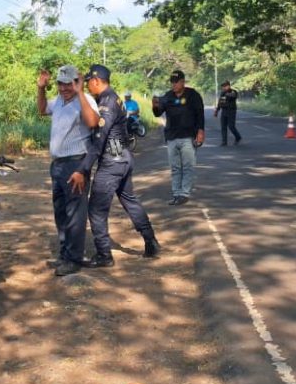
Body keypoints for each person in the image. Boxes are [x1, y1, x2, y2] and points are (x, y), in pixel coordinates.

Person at [76, 64, 163, 266]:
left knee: (96, 210)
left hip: (112, 162)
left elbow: (99, 140)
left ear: (96, 81)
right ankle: (151, 241)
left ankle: (104, 255)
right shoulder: (113, 97)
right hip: (122, 156)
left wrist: (83, 168)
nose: (87, 86)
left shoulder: (107, 102)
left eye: (88, 82)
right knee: (130, 201)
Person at [37, 65, 99, 276]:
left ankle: (74, 259)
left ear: (76, 82)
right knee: (61, 212)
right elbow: (42, 109)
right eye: (61, 83)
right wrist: (41, 89)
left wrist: (80, 92)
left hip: (76, 165)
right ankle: (65, 255)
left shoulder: (85, 100)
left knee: (75, 214)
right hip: (58, 165)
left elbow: (92, 123)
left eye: (69, 83)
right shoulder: (60, 102)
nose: (64, 88)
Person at [151, 69, 204, 205]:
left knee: (188, 166)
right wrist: (155, 105)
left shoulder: (193, 95)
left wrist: (200, 131)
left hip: (188, 136)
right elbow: (158, 113)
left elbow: (200, 114)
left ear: (182, 82)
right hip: (172, 137)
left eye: (176, 82)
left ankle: (184, 193)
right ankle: (176, 193)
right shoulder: (168, 96)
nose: (174, 85)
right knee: (175, 167)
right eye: (172, 82)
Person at [214, 80, 242, 146]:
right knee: (223, 127)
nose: (223, 88)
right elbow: (221, 102)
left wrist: (225, 93)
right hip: (224, 111)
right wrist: (217, 110)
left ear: (228, 86)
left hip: (231, 111)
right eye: (223, 87)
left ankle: (238, 137)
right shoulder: (223, 93)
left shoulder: (233, 91)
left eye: (224, 86)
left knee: (231, 126)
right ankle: (224, 142)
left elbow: (233, 96)